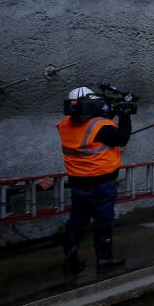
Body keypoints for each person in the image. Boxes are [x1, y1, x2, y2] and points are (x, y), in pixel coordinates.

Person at [57, 86, 133, 273]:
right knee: (103, 220)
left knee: (76, 220)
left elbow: (90, 129)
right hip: (101, 183)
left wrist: (109, 113)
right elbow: (121, 138)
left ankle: (70, 258)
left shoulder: (64, 124)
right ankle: (104, 259)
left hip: (77, 181)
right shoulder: (100, 127)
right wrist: (124, 115)